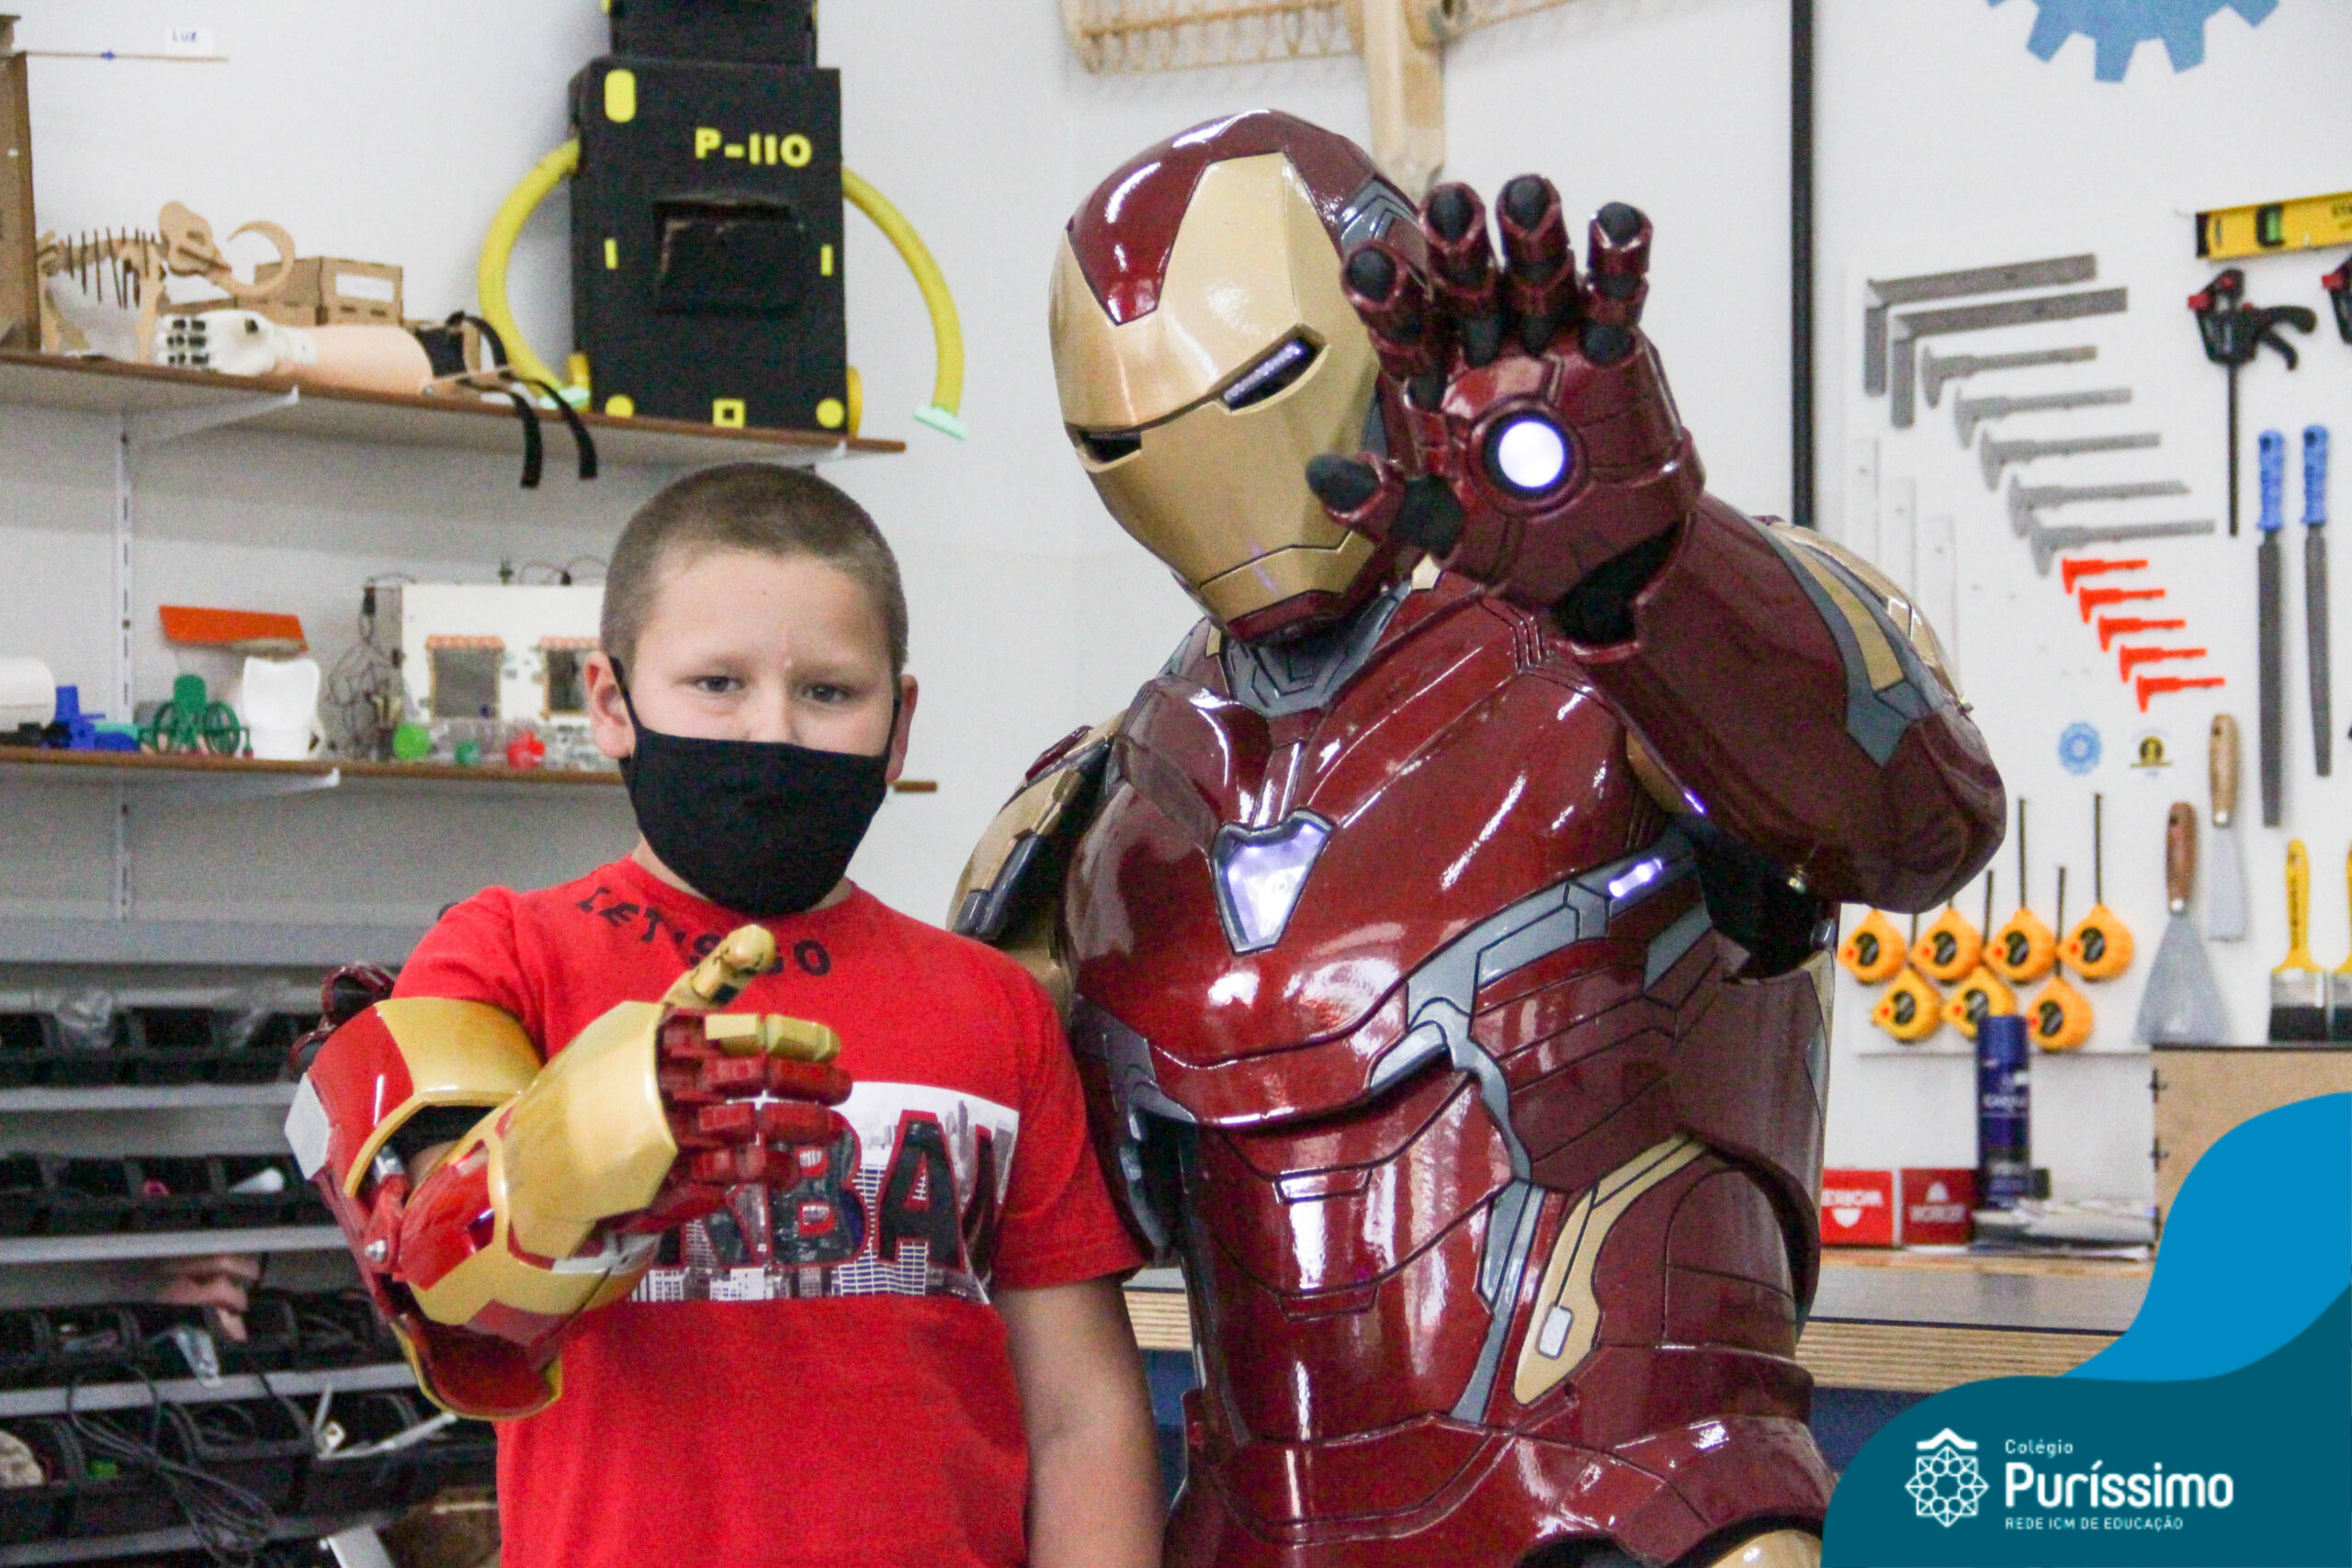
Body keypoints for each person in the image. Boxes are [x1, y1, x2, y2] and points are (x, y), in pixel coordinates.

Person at [949, 113, 2005, 1568]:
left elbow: (1921, 824)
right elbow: (986, 1229)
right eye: (1124, 438)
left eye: (1259, 383)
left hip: (1644, 1511)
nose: (1204, 462)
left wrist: (1655, 572)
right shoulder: (1096, 804)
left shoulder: (1644, 657)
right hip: (1250, 1533)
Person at [296, 463, 1162, 1568]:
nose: (772, 733)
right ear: (612, 703)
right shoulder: (507, 955)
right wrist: (563, 1156)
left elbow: (1081, 1413)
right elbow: (432, 1283)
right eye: (716, 683)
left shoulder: (994, 1007)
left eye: (830, 693)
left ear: (899, 726)